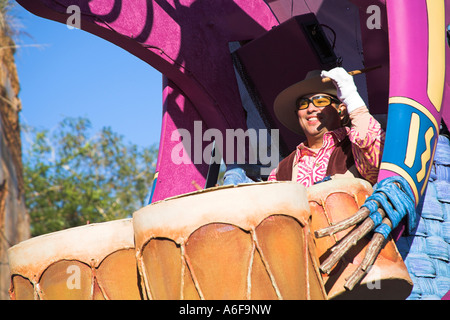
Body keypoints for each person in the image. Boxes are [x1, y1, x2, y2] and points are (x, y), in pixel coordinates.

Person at [267, 67, 385, 186]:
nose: (310, 109)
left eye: (321, 101)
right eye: (303, 104)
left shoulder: (356, 150)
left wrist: (351, 98)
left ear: (341, 111)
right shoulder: (280, 172)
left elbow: (377, 162)